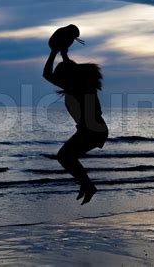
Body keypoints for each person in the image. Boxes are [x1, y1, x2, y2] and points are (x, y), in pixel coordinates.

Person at [43, 24, 108, 205]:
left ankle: (88, 185)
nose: (59, 80)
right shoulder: (80, 84)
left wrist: (54, 52)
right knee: (66, 156)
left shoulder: (79, 87)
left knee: (64, 156)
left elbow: (48, 74)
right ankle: (86, 185)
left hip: (92, 130)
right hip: (93, 129)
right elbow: (67, 70)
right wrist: (61, 52)